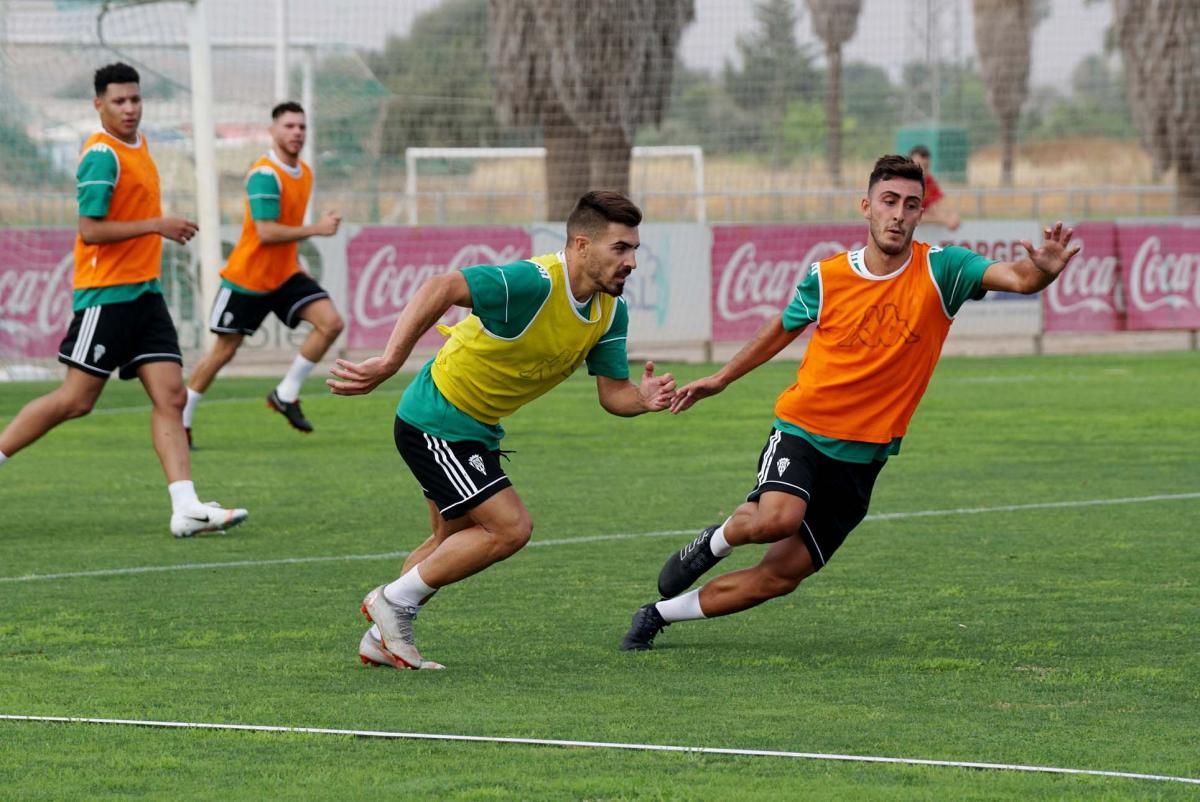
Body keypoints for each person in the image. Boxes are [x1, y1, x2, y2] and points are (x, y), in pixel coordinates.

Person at [620, 154, 1078, 652]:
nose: (898, 214)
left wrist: (1043, 272)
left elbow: (1018, 278)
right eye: (888, 201)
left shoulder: (943, 270)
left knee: (780, 577)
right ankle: (715, 542)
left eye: (910, 204)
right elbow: (781, 328)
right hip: (803, 430)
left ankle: (656, 615)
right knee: (778, 517)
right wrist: (722, 378)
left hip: (863, 462)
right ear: (866, 206)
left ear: (920, 213)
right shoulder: (828, 277)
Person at [328, 190, 677, 670]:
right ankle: (390, 604)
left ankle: (381, 637)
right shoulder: (532, 283)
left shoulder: (611, 312)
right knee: (511, 528)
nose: (633, 261)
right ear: (581, 245)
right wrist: (390, 362)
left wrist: (644, 399)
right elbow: (442, 287)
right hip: (437, 417)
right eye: (620, 248)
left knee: (447, 544)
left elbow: (613, 393)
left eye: (635, 248)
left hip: (476, 429)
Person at [0, 63, 247, 538]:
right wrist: (157, 224)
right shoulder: (101, 155)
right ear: (99, 105)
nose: (130, 109)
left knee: (171, 397)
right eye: (119, 101)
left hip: (145, 295)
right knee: (75, 401)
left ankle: (186, 507)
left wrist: (155, 229)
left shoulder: (142, 145)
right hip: (106, 297)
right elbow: (89, 230)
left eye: (135, 100)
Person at [182, 102, 343, 445]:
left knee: (331, 323)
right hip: (248, 278)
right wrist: (317, 229)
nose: (297, 132)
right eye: (289, 126)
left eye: (301, 126)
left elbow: (284, 230)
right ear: (272, 132)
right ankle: (181, 418)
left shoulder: (306, 173)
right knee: (223, 351)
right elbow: (267, 232)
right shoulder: (264, 175)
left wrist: (297, 258)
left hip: (284, 274)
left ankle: (285, 393)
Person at [909, 144, 960, 231]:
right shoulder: (905, 184)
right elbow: (911, 216)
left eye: (926, 166)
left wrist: (953, 215)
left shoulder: (929, 180)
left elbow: (940, 204)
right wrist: (943, 220)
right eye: (918, 166)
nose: (922, 170)